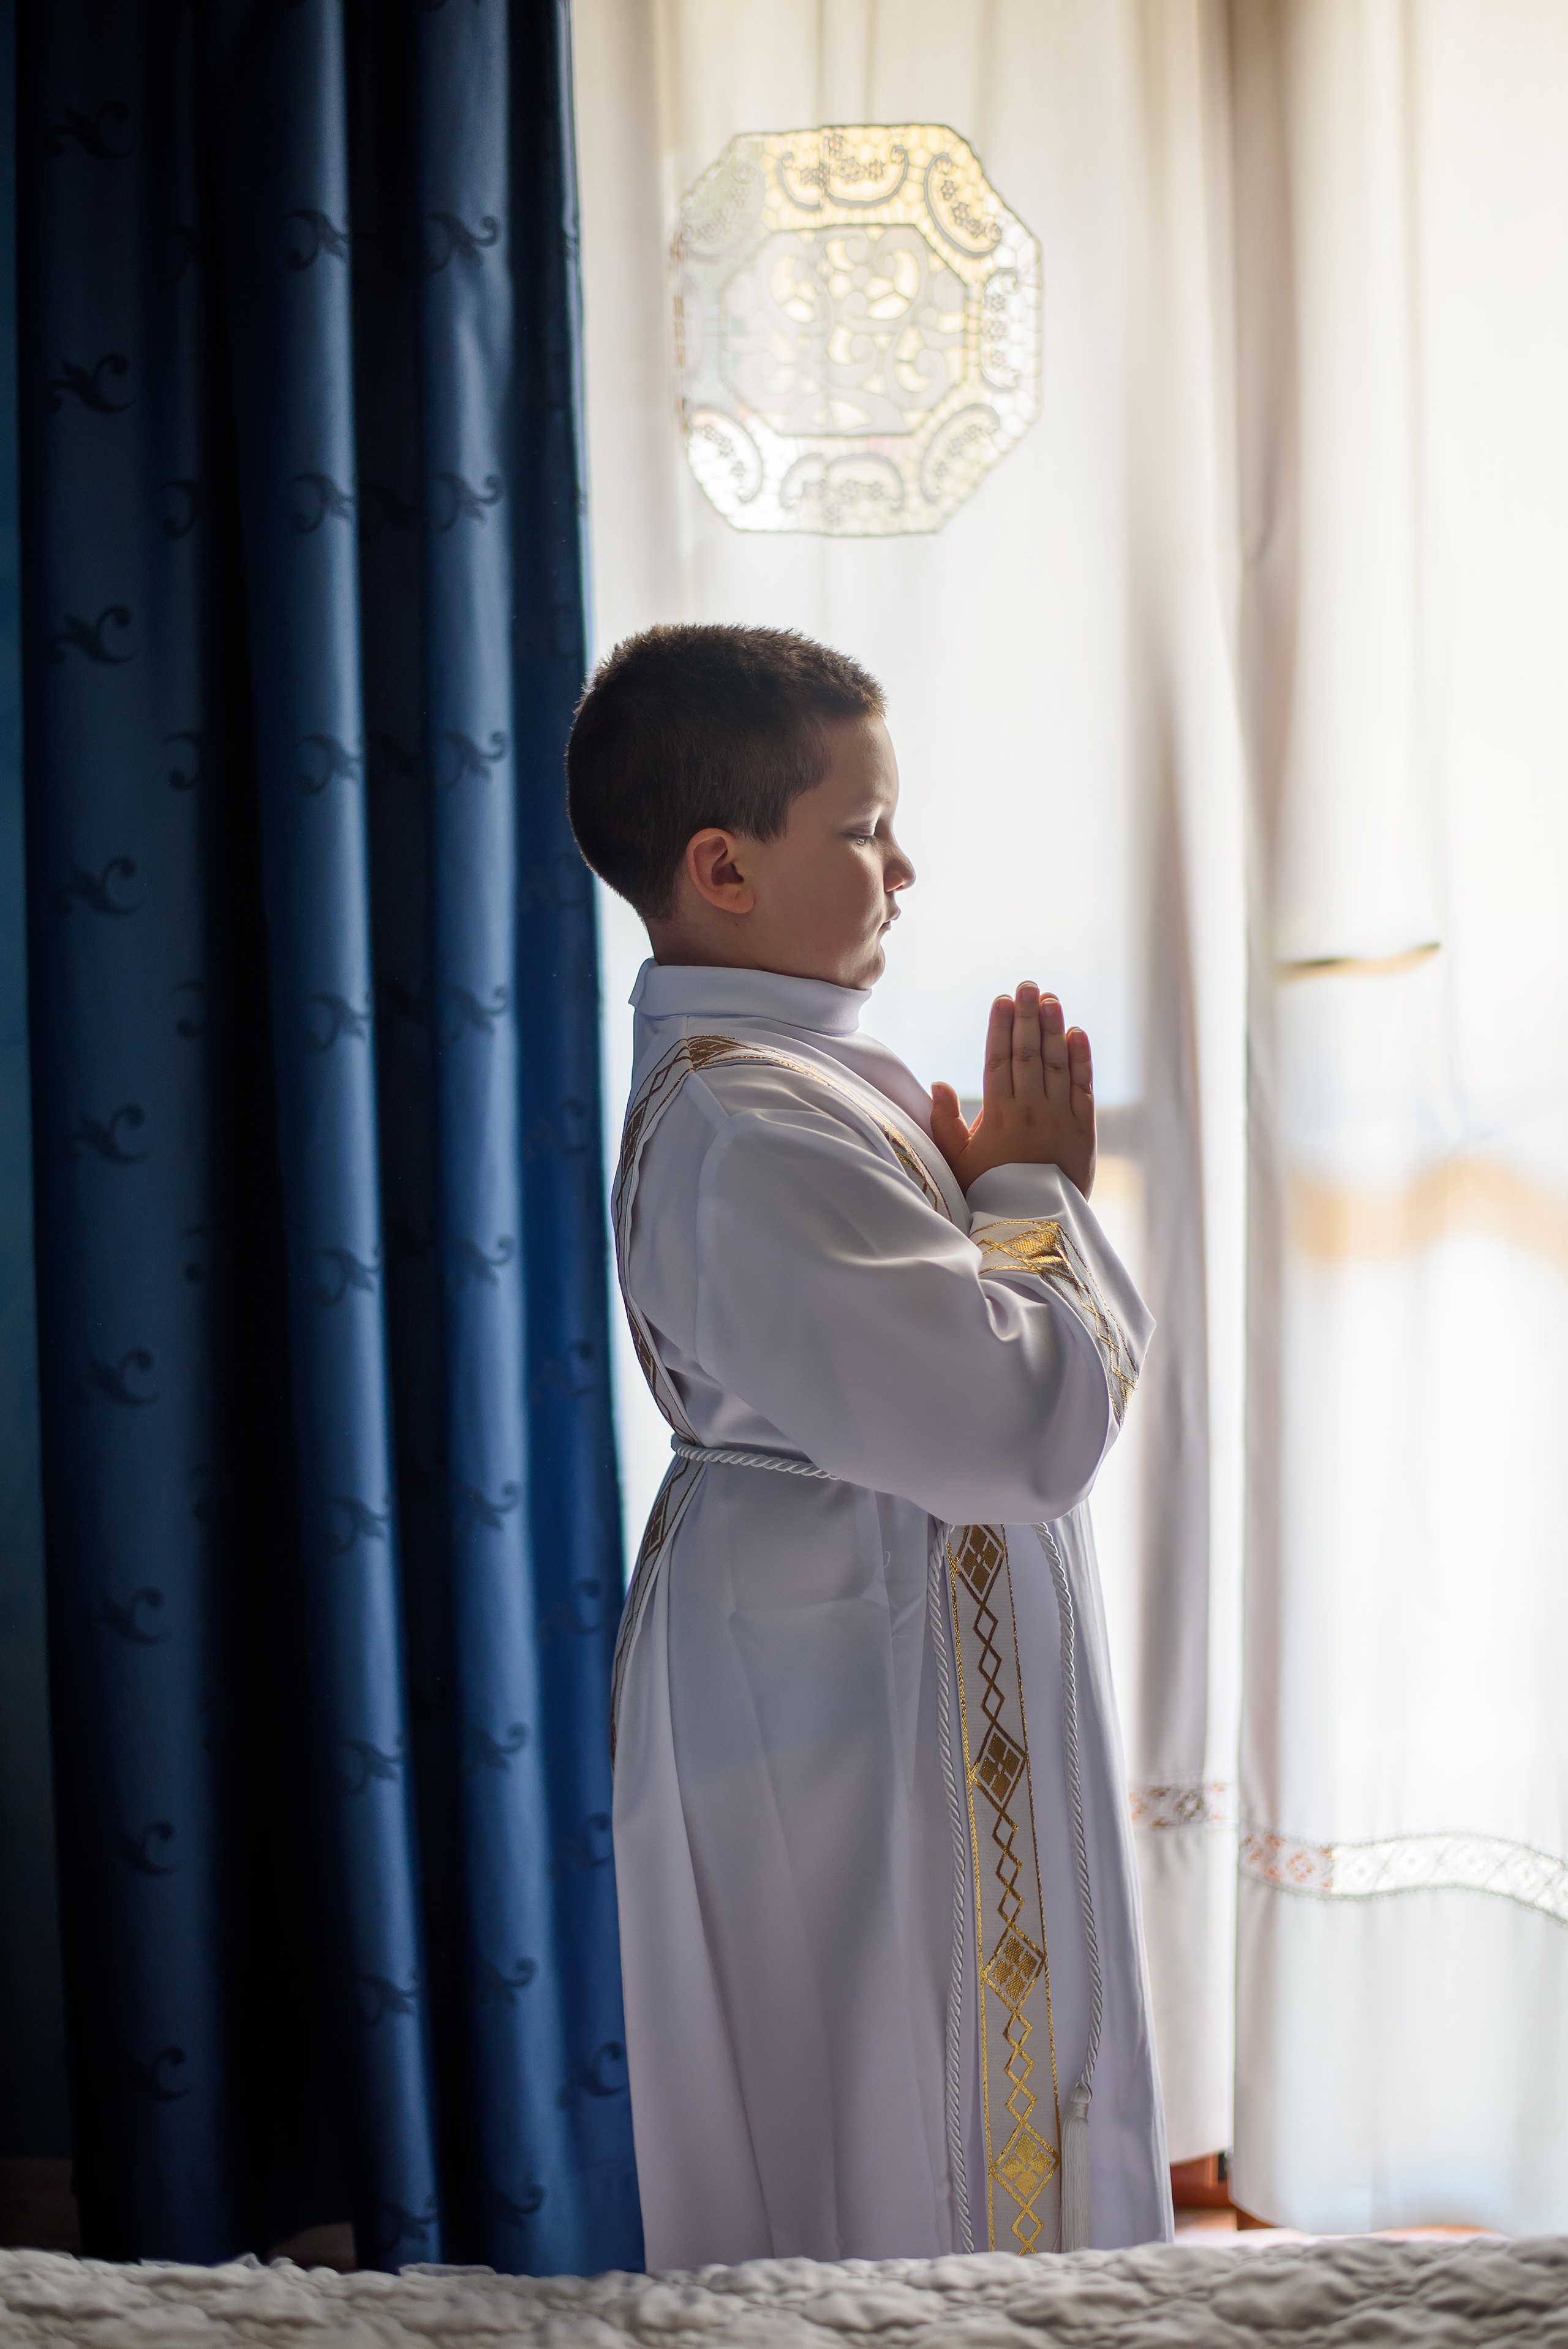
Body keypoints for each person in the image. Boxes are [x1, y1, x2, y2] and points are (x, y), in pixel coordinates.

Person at [567, 624, 1172, 2269]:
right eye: (863, 828)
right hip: (834, 1675)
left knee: (937, 2082)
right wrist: (1030, 1197)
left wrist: (977, 1209)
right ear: (723, 868)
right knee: (871, 2093)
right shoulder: (748, 1120)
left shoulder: (800, 1078)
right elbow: (1008, 1426)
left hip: (857, 1617)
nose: (904, 868)